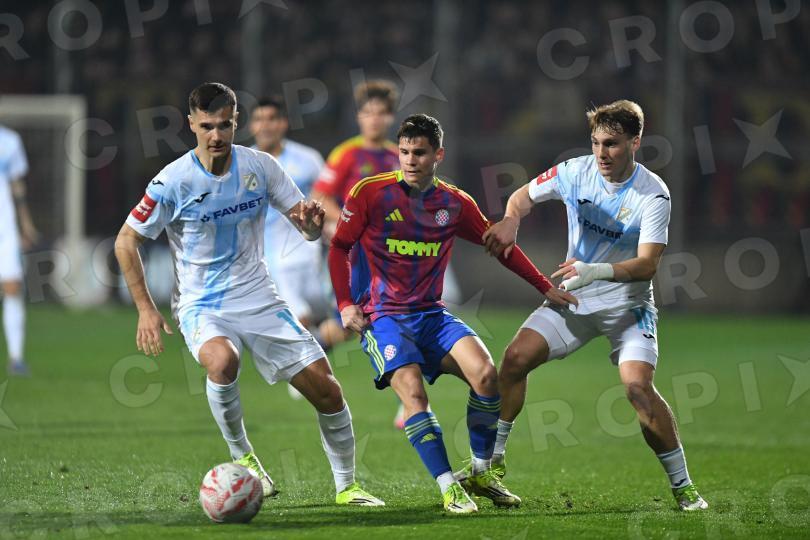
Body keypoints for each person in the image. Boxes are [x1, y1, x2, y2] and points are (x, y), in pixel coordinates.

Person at [114, 82, 383, 506]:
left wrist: (312, 225)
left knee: (328, 390)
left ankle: (347, 486)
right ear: (191, 124)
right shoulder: (173, 181)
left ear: (236, 122)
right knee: (222, 361)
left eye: (224, 125)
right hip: (201, 302)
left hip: (259, 296)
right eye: (207, 126)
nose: (216, 135)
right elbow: (126, 241)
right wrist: (146, 309)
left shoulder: (261, 167)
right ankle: (245, 457)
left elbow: (305, 227)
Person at [328, 114, 576, 513]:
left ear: (438, 155)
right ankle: (449, 488)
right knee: (413, 394)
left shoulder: (455, 203)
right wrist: (344, 304)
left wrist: (544, 286)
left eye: (419, 153)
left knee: (487, 376)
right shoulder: (370, 193)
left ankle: (480, 472)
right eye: (404, 152)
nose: (410, 160)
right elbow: (339, 246)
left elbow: (499, 245)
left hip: (432, 315)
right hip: (383, 317)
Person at [481, 100, 708, 511]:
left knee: (638, 389)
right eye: (596, 142)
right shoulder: (574, 172)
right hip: (575, 297)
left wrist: (596, 271)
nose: (602, 153)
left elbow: (647, 265)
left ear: (635, 143)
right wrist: (511, 220)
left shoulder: (653, 193)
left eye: (612, 144)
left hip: (628, 307)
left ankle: (683, 486)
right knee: (514, 360)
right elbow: (521, 197)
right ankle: (492, 464)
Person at [250, 96, 332, 401]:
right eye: (259, 119)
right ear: (252, 125)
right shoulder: (244, 163)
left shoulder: (308, 159)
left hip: (311, 252)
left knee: (336, 320)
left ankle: (308, 356)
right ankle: (308, 377)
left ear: (283, 123)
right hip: (271, 256)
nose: (265, 126)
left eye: (272, 119)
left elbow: (325, 196)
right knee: (301, 316)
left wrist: (332, 226)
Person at [0, 124, 39, 376]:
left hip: (5, 227)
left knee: (12, 287)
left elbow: (17, 185)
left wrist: (25, 224)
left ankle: (16, 358)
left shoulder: (10, 141)